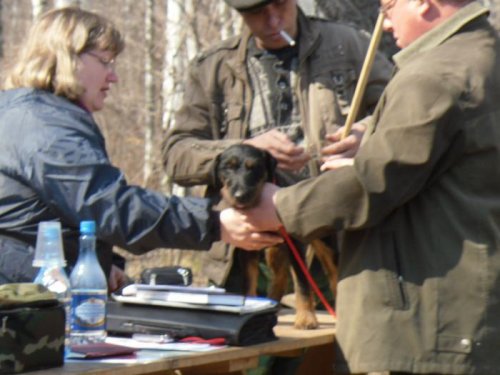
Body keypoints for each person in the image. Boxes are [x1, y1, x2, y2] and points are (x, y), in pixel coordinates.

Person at [219, 0, 500, 373]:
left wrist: (282, 206)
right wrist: (371, 134)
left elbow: (376, 181)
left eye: (389, 5)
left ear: (423, 3)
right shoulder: (482, 54)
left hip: (431, 320)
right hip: (462, 308)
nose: (384, 22)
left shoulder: (438, 74)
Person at [0, 7, 279, 290]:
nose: (113, 76)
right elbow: (108, 206)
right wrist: (214, 222)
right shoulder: (44, 126)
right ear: (67, 58)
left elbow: (42, 217)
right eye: (105, 62)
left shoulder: (26, 113)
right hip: (17, 304)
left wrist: (98, 263)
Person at [162, 0, 393, 298]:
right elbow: (176, 154)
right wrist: (242, 149)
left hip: (341, 247)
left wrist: (366, 133)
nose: (272, 22)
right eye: (257, 13)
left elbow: (405, 106)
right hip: (247, 253)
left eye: (280, 6)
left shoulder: (348, 45)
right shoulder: (215, 66)